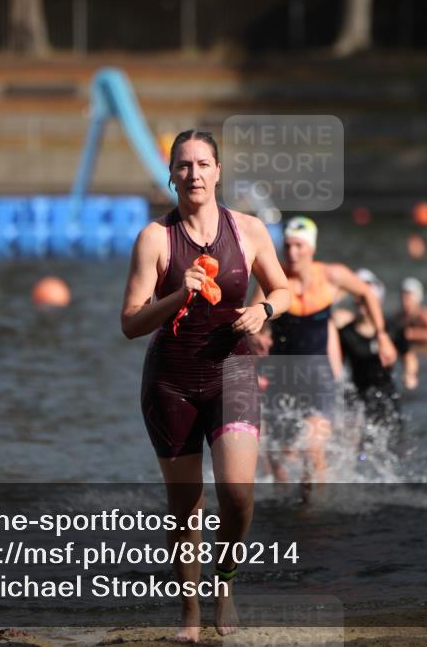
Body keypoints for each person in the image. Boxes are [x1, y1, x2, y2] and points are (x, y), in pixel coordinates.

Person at [121, 130, 290, 642]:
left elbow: (283, 290)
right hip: (170, 382)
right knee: (186, 504)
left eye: (203, 164)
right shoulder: (155, 238)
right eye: (183, 165)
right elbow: (129, 323)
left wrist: (262, 309)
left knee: (238, 494)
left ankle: (227, 582)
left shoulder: (249, 231)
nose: (193, 174)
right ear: (171, 174)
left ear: (218, 171)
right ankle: (190, 609)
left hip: (233, 370)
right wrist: (179, 294)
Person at [254, 216, 396, 488]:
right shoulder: (272, 280)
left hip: (319, 378)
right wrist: (256, 338)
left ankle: (314, 508)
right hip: (281, 378)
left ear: (312, 248)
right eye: (287, 246)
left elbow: (366, 292)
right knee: (278, 458)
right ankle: (286, 505)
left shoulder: (332, 275)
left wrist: (382, 335)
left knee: (312, 448)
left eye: (299, 246)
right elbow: (253, 321)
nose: (292, 252)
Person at [336, 269, 404, 459]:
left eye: (366, 301)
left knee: (392, 448)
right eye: (359, 300)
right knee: (360, 449)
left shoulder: (390, 330)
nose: (362, 305)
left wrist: (411, 373)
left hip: (387, 395)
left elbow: (407, 352)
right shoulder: (345, 333)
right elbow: (337, 366)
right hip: (358, 397)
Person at [392, 277, 427, 390]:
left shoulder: (424, 315)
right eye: (403, 296)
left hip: (426, 353)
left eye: (408, 297)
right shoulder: (399, 317)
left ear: (417, 298)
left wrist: (412, 334)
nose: (405, 300)